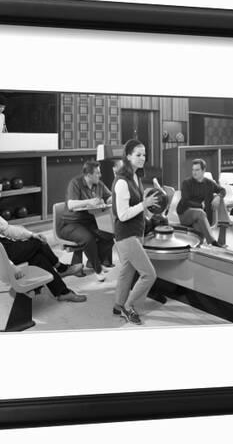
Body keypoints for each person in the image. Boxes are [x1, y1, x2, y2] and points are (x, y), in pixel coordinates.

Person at [0, 175, 86, 302]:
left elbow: (6, 229)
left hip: (0, 246)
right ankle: (61, 268)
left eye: (0, 191)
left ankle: (62, 292)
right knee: (37, 243)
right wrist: (10, 266)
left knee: (38, 258)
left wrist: (31, 234)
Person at [111, 139, 160, 325]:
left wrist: (144, 200)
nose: (142, 158)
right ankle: (129, 306)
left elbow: (136, 205)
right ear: (128, 156)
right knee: (149, 274)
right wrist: (143, 204)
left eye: (144, 154)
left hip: (136, 231)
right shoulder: (122, 182)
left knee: (127, 271)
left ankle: (118, 305)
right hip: (126, 234)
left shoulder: (136, 177)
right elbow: (122, 215)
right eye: (138, 155)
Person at [59, 160, 115, 282]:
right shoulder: (75, 183)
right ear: (88, 175)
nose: (100, 175)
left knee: (110, 235)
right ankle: (98, 269)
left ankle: (93, 261)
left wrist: (110, 199)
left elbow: (109, 196)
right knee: (88, 238)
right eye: (97, 173)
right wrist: (89, 202)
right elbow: (71, 204)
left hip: (88, 222)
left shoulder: (98, 184)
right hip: (70, 223)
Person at [176, 158, 230, 246]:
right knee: (200, 213)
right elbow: (185, 201)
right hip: (185, 214)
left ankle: (200, 252)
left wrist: (218, 197)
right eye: (193, 170)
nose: (194, 172)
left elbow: (222, 190)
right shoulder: (186, 183)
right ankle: (212, 241)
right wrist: (200, 205)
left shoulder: (209, 183)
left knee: (199, 232)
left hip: (200, 217)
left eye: (197, 170)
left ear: (203, 170)